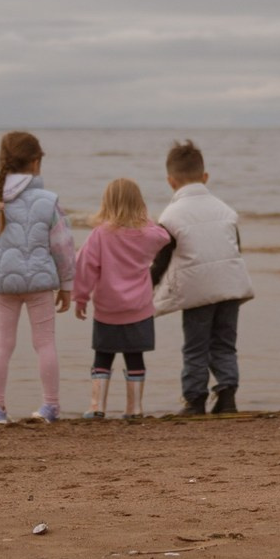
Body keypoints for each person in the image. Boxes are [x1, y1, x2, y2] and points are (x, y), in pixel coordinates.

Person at [0, 131, 74, 425]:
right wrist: (67, 285)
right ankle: (51, 406)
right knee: (44, 343)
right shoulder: (48, 200)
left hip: (2, 285)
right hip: (39, 283)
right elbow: (63, 247)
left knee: (1, 344)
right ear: (35, 162)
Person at [151, 139, 254, 415]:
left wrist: (148, 285)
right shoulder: (226, 210)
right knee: (224, 343)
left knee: (196, 346)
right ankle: (227, 395)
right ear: (205, 177)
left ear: (170, 181)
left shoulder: (171, 215)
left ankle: (195, 399)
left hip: (198, 290)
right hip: (230, 286)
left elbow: (162, 258)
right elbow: (235, 248)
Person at [73, 179, 170, 421]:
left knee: (103, 355)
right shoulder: (148, 234)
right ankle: (134, 409)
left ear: (106, 203)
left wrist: (81, 297)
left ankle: (97, 406)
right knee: (135, 356)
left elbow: (85, 266)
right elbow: (164, 236)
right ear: (140, 203)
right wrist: (144, 220)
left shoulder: (100, 234)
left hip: (108, 307)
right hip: (139, 307)